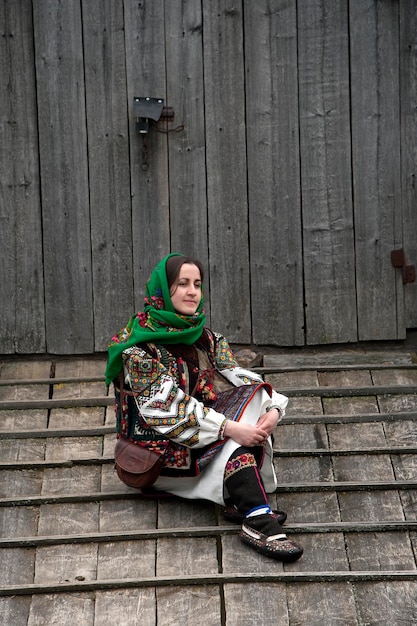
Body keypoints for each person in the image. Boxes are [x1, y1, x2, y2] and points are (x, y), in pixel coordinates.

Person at [105, 253, 303, 562]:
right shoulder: (138, 348)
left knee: (255, 403)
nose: (192, 292)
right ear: (163, 292)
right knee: (234, 443)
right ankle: (258, 519)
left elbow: (242, 378)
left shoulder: (207, 338)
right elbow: (167, 408)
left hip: (199, 438)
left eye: (197, 284)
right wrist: (230, 427)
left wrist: (273, 410)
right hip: (157, 454)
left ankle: (244, 501)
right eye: (182, 284)